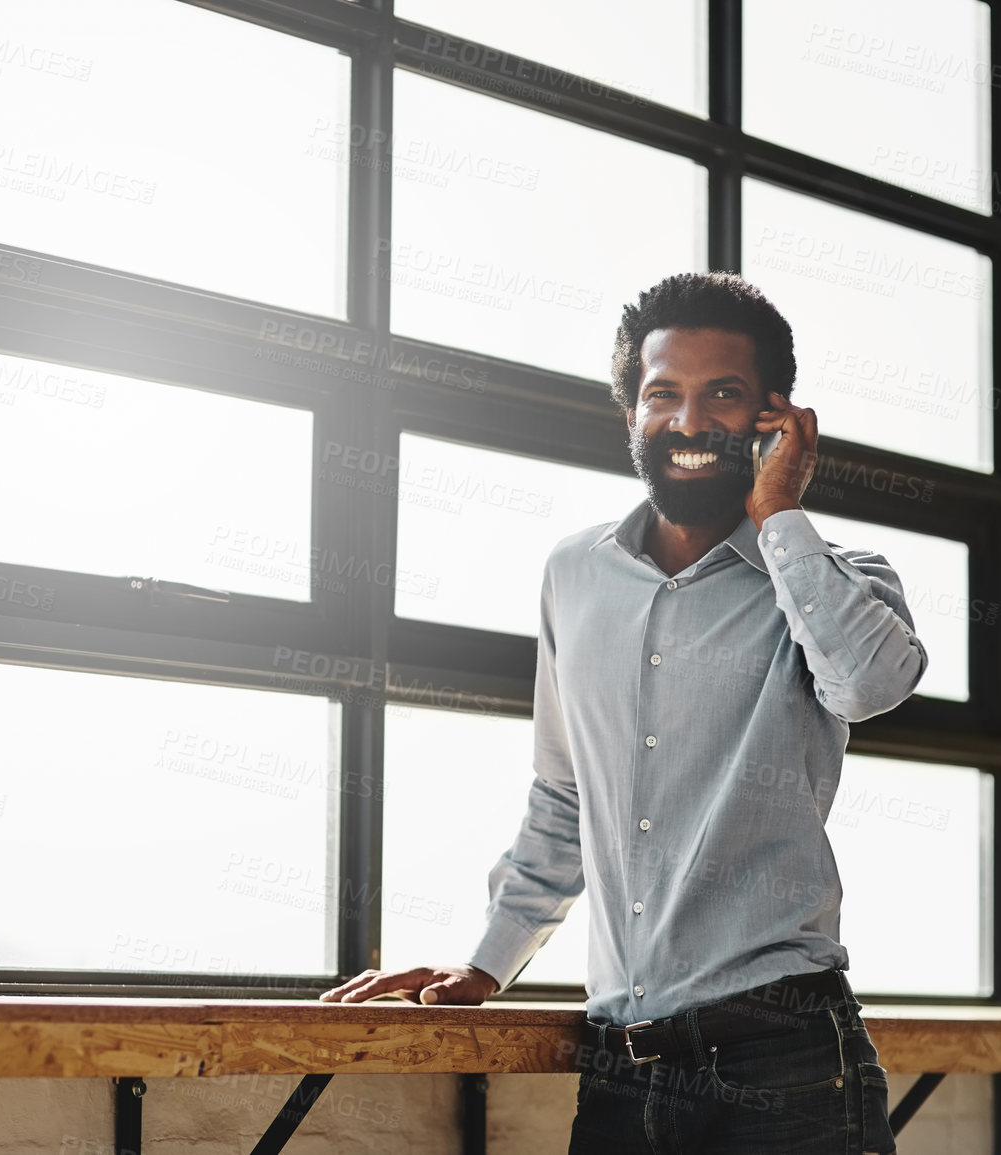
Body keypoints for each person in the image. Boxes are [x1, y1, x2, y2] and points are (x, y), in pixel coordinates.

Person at [320, 272, 922, 1154]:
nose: (688, 420)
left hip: (787, 1064)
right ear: (631, 412)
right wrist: (488, 962)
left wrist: (780, 513)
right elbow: (564, 795)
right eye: (662, 394)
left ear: (773, 415)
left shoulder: (833, 575)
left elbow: (869, 686)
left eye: (723, 394)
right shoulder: (574, 575)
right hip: (621, 1075)